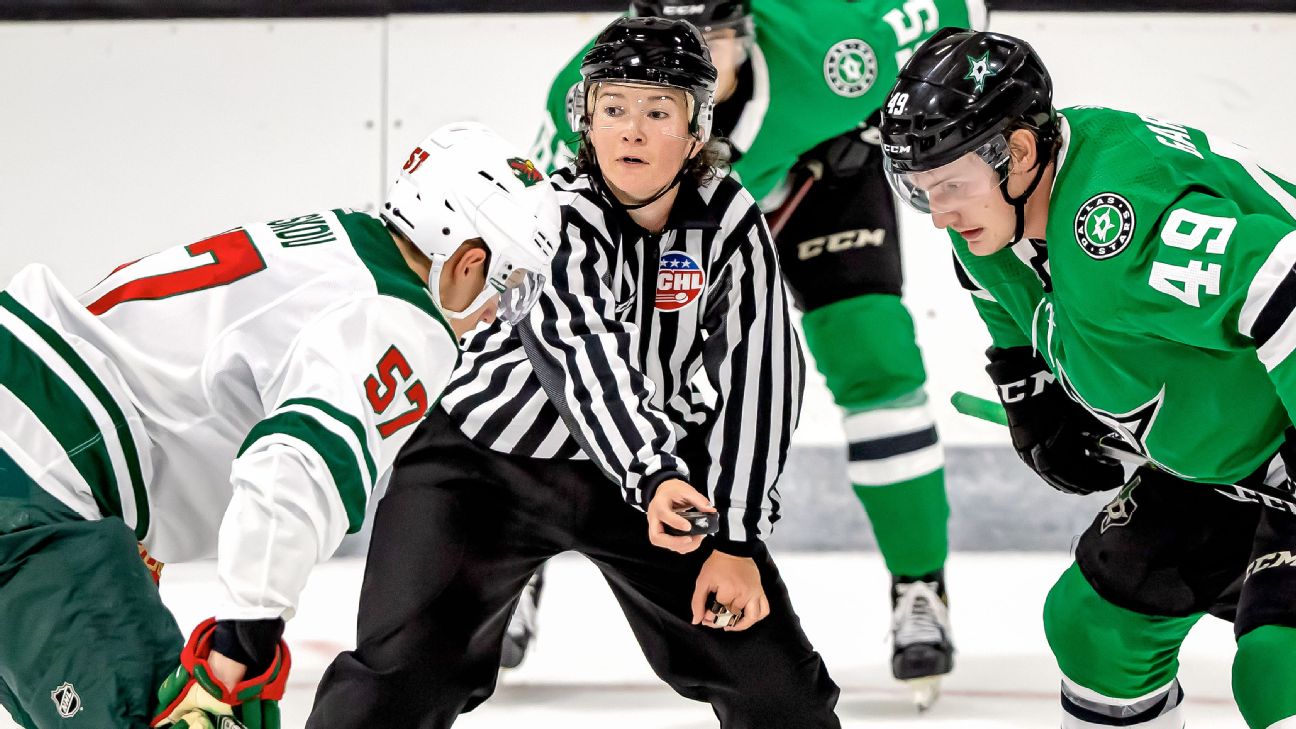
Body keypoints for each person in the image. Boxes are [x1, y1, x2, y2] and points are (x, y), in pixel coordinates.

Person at [307, 16, 840, 729]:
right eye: (613, 108)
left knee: (783, 695)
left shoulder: (730, 218)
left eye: (658, 110)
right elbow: (583, 352)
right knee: (400, 681)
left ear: (696, 127)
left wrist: (737, 537)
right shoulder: (551, 215)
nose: (633, 130)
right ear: (585, 122)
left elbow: (763, 369)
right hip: (483, 468)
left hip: (655, 487)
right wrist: (654, 473)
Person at [0, 121, 557, 729]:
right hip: (40, 485)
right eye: (509, 285)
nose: (493, 315)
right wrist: (244, 639)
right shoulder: (402, 320)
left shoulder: (332, 238)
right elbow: (297, 463)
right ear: (469, 262)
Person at [517, 0, 989, 704]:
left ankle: (919, 584)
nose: (699, 56)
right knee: (556, 370)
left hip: (815, 184)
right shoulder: (588, 94)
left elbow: (963, 15)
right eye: (681, 38)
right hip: (663, 213)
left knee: (875, 357)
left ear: (749, 30)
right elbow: (536, 226)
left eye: (714, 38)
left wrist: (888, 120)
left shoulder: (838, 51)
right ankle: (518, 567)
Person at [880, 27, 1296, 729]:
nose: (941, 213)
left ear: (1017, 152)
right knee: (1095, 625)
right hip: (1230, 469)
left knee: (1277, 673)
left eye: (951, 185)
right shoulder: (994, 222)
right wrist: (1028, 387)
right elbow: (1003, 300)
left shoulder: (1115, 224)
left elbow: (1283, 279)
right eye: (923, 191)